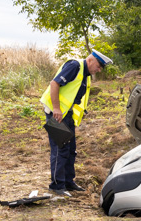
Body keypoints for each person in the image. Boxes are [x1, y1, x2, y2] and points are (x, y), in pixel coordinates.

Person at [39, 50, 112, 196]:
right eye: (98, 66)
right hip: (57, 114)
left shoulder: (85, 74)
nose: (98, 70)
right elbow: (54, 84)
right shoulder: (75, 66)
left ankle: (68, 182)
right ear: (90, 60)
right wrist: (56, 108)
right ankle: (57, 186)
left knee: (70, 149)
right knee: (60, 149)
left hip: (67, 114)